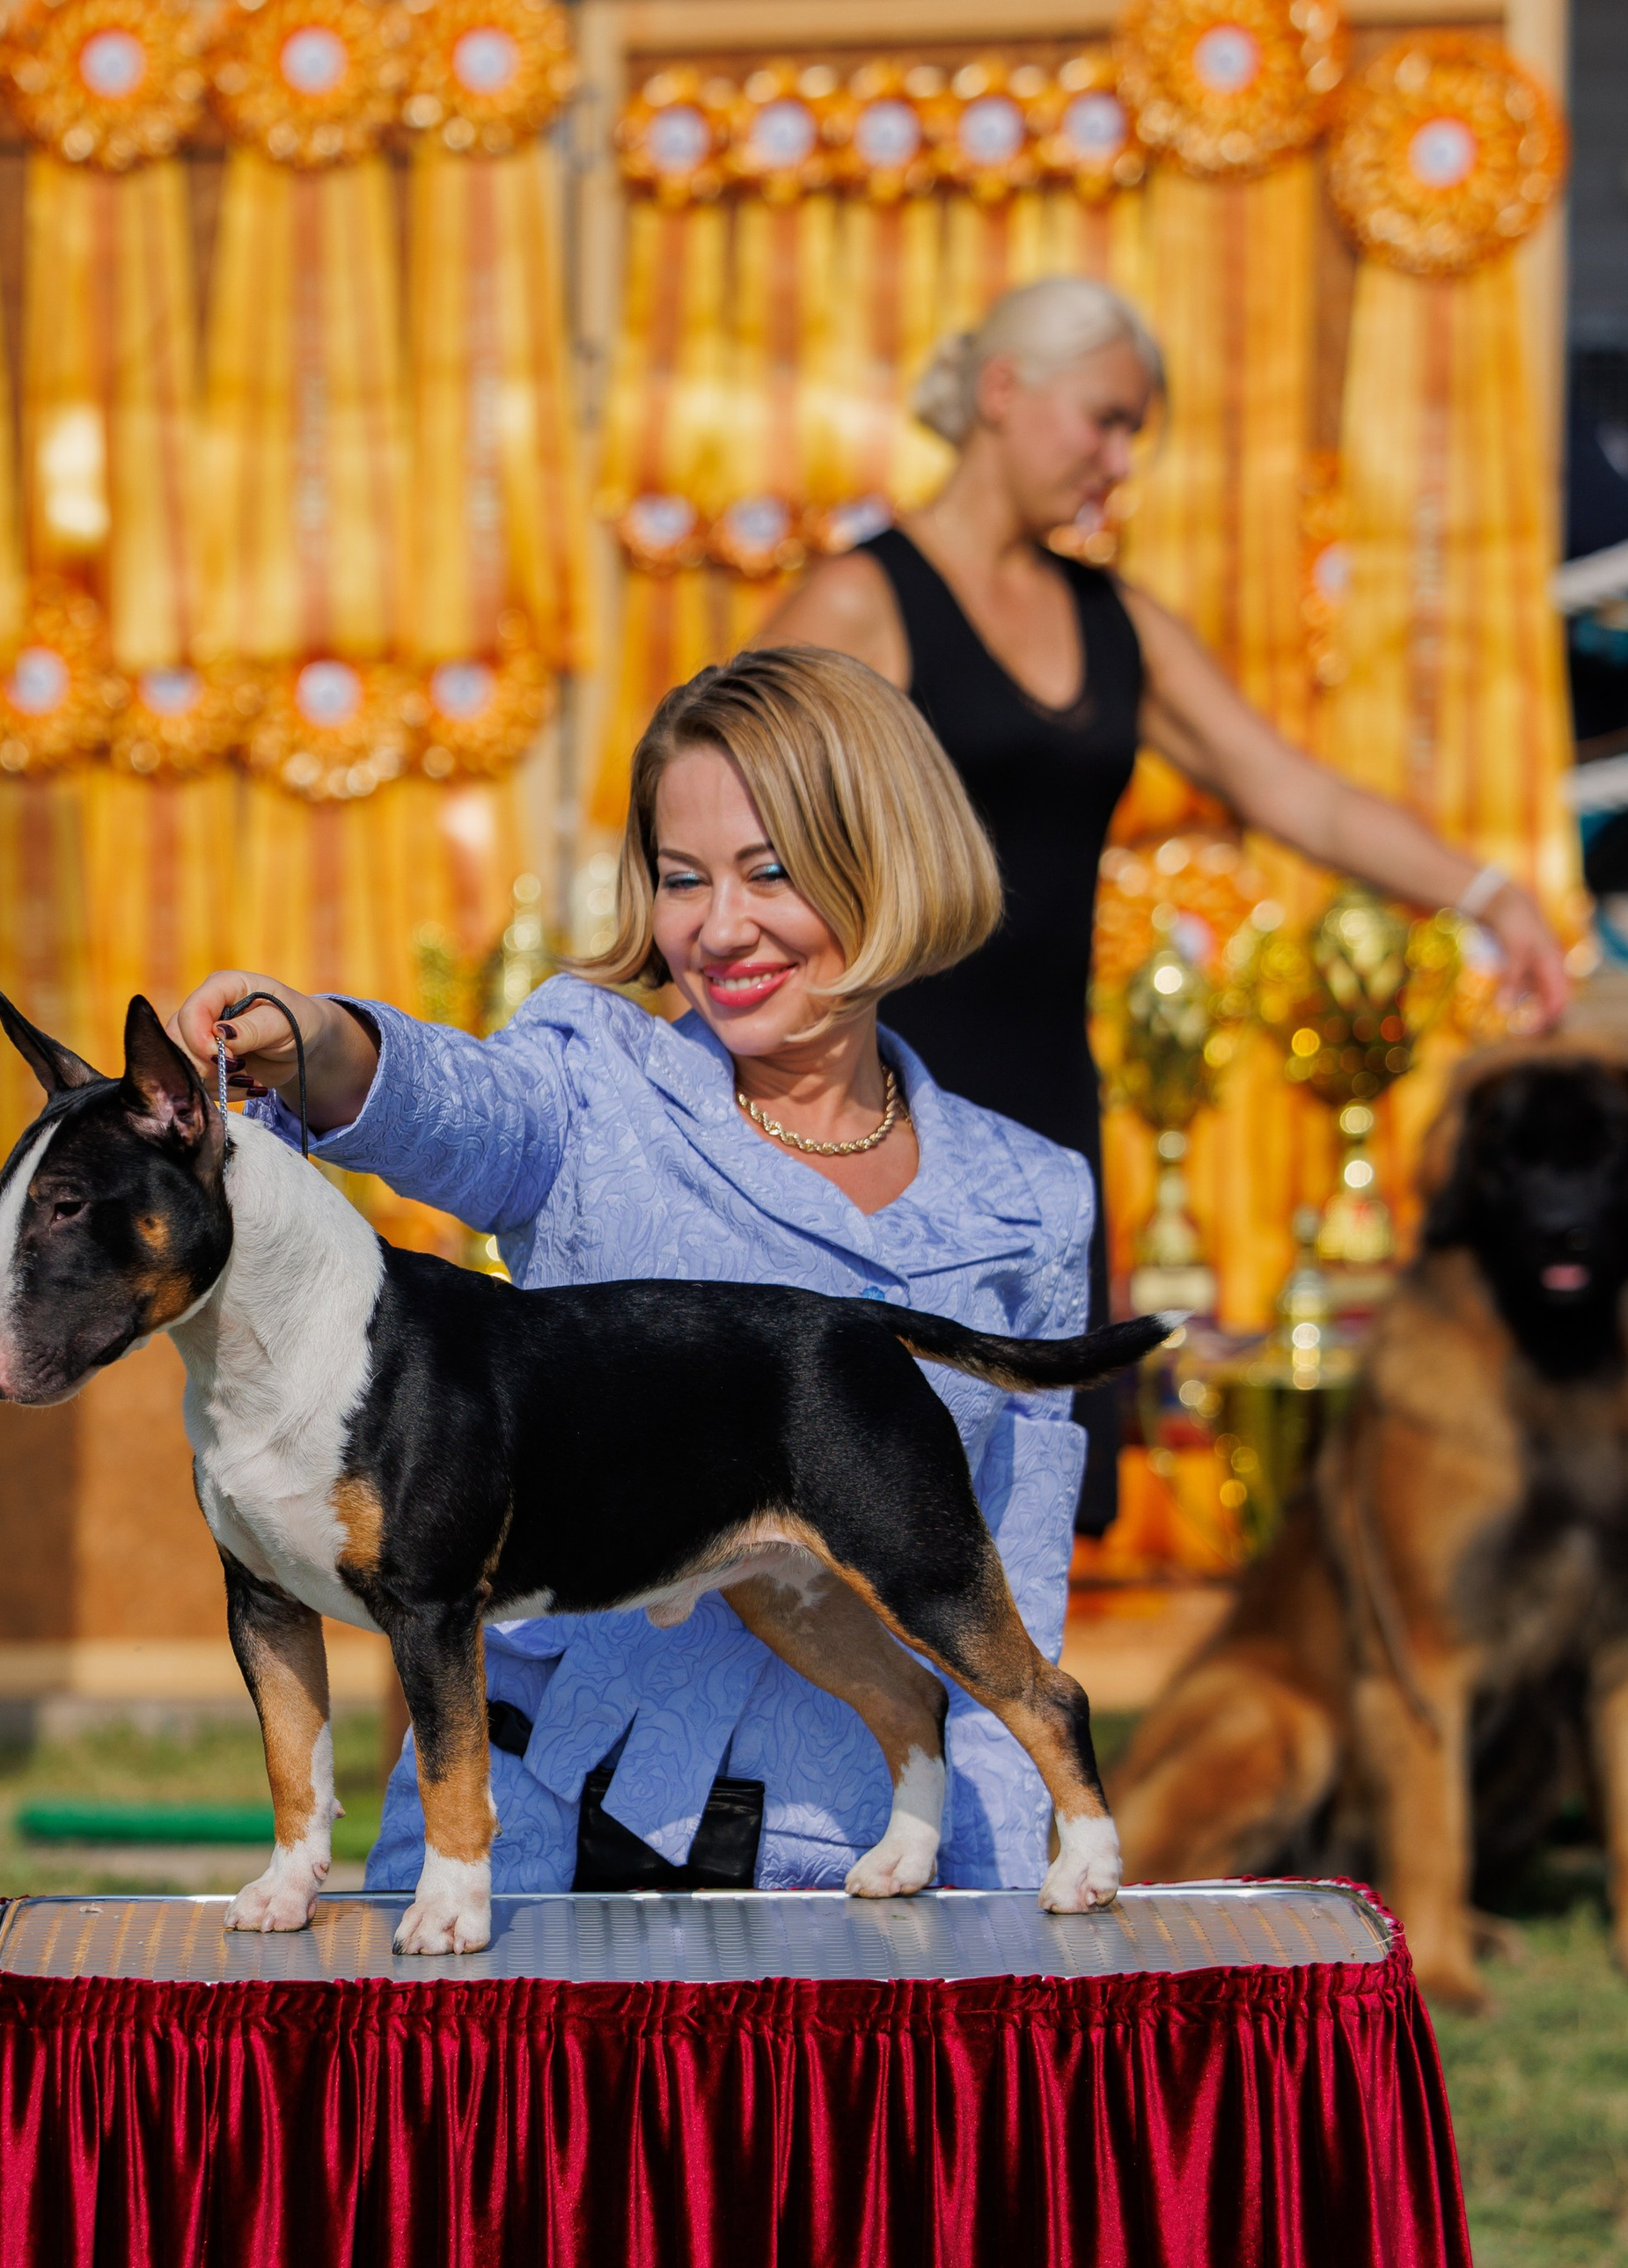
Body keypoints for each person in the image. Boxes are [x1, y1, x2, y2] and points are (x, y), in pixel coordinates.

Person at [172, 643, 1096, 1900]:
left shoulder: (1033, 1200)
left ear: (886, 859)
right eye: (680, 879)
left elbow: (1008, 1592)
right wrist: (321, 1038)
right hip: (547, 1840)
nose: (720, 929)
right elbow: (455, 1103)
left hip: (856, 1885)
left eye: (772, 873)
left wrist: (997, 1901)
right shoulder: (587, 1075)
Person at [757, 273, 1573, 1529]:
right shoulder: (860, 603)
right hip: (881, 1109)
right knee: (865, 1506)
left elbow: (1296, 794)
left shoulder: (1116, 620)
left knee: (1027, 1510)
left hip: (1044, 1117)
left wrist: (1489, 892)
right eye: (1107, 420)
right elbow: (729, 825)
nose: (1120, 460)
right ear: (1002, 391)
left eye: (1137, 432)